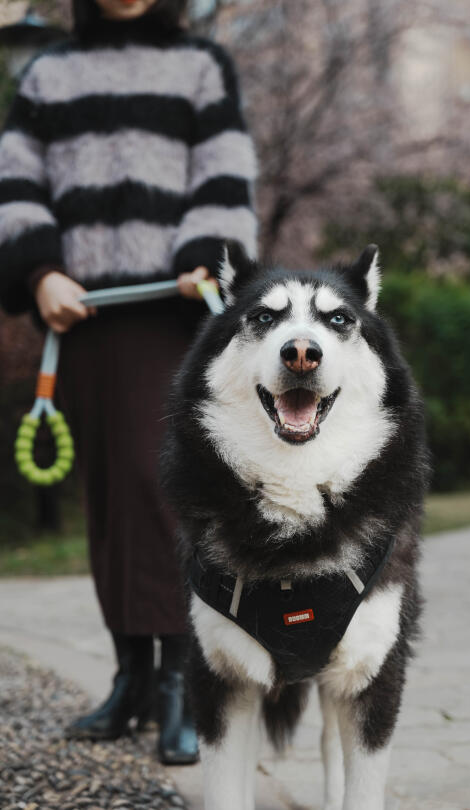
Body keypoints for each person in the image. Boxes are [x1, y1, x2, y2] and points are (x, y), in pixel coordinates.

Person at [0, 0, 257, 764]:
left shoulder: (200, 67)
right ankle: (131, 677)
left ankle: (182, 681)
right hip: (82, 319)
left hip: (172, 318)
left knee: (159, 484)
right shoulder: (48, 73)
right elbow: (15, 184)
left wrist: (205, 255)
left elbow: (225, 175)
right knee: (110, 493)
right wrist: (40, 271)